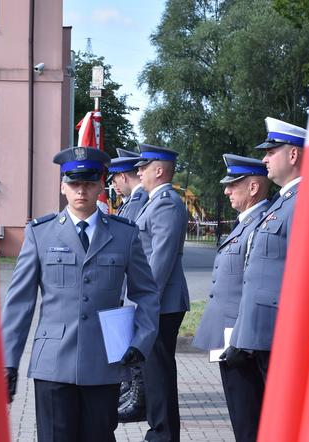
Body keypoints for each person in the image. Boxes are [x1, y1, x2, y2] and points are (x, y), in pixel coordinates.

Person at [1, 146, 160, 442]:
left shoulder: (124, 234)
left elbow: (146, 294)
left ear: (102, 185)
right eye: (74, 183)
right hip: (53, 365)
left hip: (104, 362)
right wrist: (8, 362)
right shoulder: (40, 233)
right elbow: (19, 304)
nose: (81, 191)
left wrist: (141, 341)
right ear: (63, 187)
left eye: (88, 183)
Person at [222, 117, 307, 428]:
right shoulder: (280, 204)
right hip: (261, 332)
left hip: (281, 332)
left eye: (271, 152)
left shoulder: (304, 202)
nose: (264, 159)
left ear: (294, 155)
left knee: (284, 421)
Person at [192, 154, 271, 442]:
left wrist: (241, 338)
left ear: (253, 188)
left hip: (243, 342)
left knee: (249, 422)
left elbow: (254, 285)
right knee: (242, 421)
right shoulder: (247, 223)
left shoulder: (261, 224)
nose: (226, 191)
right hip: (233, 339)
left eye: (233, 184)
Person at [134, 144, 189, 442]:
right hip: (157, 302)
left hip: (160, 303)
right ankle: (159, 431)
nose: (138, 171)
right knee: (154, 370)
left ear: (159, 170)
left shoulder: (167, 202)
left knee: (159, 371)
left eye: (144, 166)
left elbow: (161, 259)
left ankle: (163, 435)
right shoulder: (153, 201)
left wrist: (145, 301)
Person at [107, 149, 151, 422]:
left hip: (134, 283)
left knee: (134, 346)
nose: (113, 185)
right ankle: (131, 391)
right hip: (129, 283)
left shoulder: (136, 204)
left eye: (114, 179)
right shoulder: (132, 202)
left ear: (123, 176)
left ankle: (137, 397)